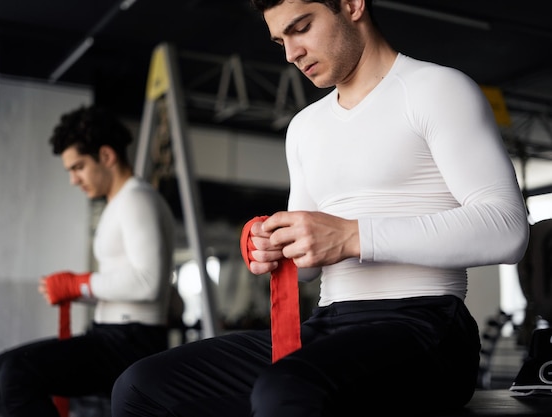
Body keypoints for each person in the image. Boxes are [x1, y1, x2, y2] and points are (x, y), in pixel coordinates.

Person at [111, 1, 530, 416]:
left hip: (426, 326)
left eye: (301, 27)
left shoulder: (436, 89)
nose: (291, 53)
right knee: (140, 386)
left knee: (285, 390)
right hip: (328, 323)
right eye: (281, 41)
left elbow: (507, 229)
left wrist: (350, 236)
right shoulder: (305, 128)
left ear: (351, 5)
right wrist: (274, 245)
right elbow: (308, 266)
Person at [0, 105, 176, 417]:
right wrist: (74, 290)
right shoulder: (120, 202)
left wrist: (79, 283)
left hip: (131, 343)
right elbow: (124, 282)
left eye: (78, 167)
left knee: (15, 373)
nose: (74, 180)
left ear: (106, 156)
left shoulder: (138, 200)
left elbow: (149, 283)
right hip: (110, 335)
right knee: (0, 370)